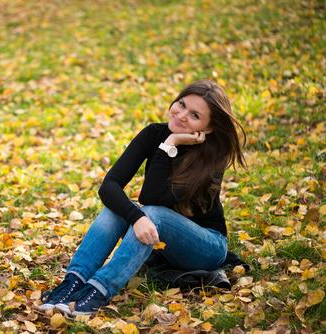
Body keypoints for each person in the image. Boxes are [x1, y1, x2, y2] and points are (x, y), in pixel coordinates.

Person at [39, 79, 247, 315]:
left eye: (195, 115)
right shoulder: (153, 133)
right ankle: (74, 282)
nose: (181, 115)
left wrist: (170, 144)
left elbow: (152, 197)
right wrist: (135, 215)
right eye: (181, 104)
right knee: (116, 209)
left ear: (208, 128)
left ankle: (99, 290)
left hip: (206, 247)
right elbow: (109, 185)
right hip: (163, 241)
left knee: (149, 213)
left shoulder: (210, 159)